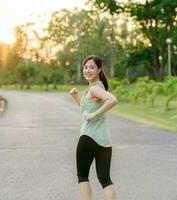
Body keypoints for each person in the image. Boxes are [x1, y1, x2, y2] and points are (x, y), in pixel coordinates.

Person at [69, 55, 118, 200]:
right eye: (85, 67)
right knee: (105, 179)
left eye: (91, 67)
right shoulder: (96, 88)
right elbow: (86, 111)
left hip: (88, 138)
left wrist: (94, 115)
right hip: (104, 140)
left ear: (99, 70)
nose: (87, 70)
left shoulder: (95, 89)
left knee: (82, 176)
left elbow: (113, 100)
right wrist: (77, 97)